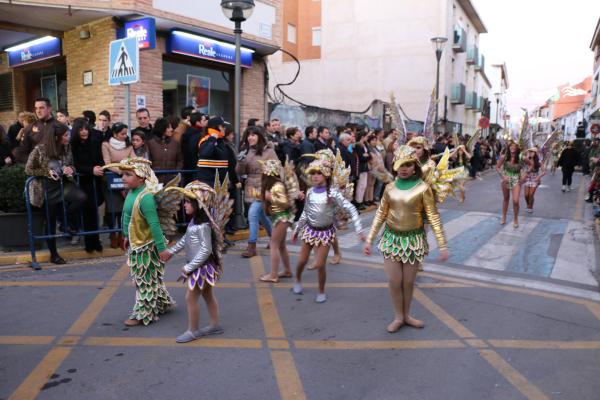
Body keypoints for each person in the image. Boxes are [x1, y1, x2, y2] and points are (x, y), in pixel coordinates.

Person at [364, 145, 448, 332]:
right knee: (395, 281)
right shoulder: (389, 187)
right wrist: (370, 239)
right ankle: (398, 316)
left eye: (408, 165)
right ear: (395, 165)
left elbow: (433, 216)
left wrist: (442, 245)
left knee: (408, 282)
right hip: (392, 239)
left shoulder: (423, 188)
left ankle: (407, 315)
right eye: (401, 164)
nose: (404, 168)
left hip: (413, 240)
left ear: (415, 167)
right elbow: (380, 214)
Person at [101, 158, 174, 326]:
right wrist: (125, 235)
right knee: (150, 278)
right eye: (123, 174)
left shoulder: (146, 198)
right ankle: (162, 303)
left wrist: (162, 249)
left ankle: (143, 313)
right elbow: (127, 216)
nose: (124, 178)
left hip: (146, 247)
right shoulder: (131, 193)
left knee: (144, 280)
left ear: (141, 178)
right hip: (136, 243)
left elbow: (154, 224)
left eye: (128, 174)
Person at [291, 155, 364, 303]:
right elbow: (306, 212)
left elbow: (351, 208)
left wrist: (359, 229)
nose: (316, 176)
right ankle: (297, 279)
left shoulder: (332, 193)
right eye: (313, 173)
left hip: (325, 233)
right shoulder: (310, 192)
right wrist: (296, 230)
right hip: (309, 231)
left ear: (326, 175)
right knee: (301, 261)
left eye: (319, 173)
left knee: (319, 264)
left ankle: (321, 290)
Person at [166, 181, 226, 343]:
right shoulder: (194, 223)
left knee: (190, 298)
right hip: (201, 266)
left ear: (198, 204)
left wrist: (189, 267)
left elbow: (206, 250)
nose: (184, 205)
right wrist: (170, 252)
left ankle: (193, 330)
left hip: (202, 268)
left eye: (187, 201)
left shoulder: (203, 226)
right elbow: (185, 239)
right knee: (207, 294)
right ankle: (215, 325)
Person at [25, 123, 87, 264]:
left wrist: (70, 169)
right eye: (66, 135)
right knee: (50, 222)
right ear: (56, 137)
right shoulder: (40, 149)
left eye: (69, 134)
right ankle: (54, 254)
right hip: (46, 189)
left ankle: (66, 222)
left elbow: (71, 164)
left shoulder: (67, 147)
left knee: (81, 198)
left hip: (63, 185)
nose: (68, 137)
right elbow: (28, 169)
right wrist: (47, 172)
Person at [237, 126, 277, 258]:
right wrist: (241, 161)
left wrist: (271, 189)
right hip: (250, 187)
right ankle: (274, 238)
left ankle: (251, 246)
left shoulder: (269, 151)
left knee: (253, 214)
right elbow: (239, 172)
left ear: (259, 136)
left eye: (253, 135)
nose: (250, 137)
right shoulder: (246, 151)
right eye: (248, 135)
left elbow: (276, 170)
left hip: (264, 187)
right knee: (261, 216)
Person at [70, 117, 105, 252]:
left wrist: (100, 167)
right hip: (82, 182)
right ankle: (89, 243)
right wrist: (91, 170)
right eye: (81, 129)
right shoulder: (73, 146)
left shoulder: (94, 142)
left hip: (95, 182)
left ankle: (96, 241)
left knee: (94, 212)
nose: (84, 132)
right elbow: (76, 165)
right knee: (86, 213)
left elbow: (100, 159)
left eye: (86, 129)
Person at [257, 159, 295, 282]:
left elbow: (285, 203)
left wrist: (270, 197)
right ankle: (287, 270)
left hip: (282, 217)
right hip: (279, 217)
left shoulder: (277, 186)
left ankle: (273, 275)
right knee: (281, 245)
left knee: (274, 245)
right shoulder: (274, 185)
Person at [101, 122, 136, 248]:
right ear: (115, 134)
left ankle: (123, 235)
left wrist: (128, 170)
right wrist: (121, 170)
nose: (125, 136)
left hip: (126, 179)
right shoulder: (106, 144)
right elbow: (107, 162)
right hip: (111, 179)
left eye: (126, 133)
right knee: (112, 209)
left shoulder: (129, 145)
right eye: (122, 133)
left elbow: (134, 160)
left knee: (123, 210)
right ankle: (112, 234)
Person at [196, 116, 237, 187]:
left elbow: (229, 163)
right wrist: (213, 138)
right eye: (222, 126)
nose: (225, 128)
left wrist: (233, 180)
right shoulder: (206, 140)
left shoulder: (222, 142)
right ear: (215, 127)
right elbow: (205, 153)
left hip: (220, 184)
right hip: (207, 184)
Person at [13, 98, 56, 163]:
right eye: (36, 108)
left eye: (41, 108)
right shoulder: (27, 129)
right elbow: (24, 147)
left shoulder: (58, 126)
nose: (38, 111)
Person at [147, 117, 183, 183]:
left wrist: (176, 173)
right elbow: (148, 161)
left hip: (172, 180)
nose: (171, 129)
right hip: (156, 181)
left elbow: (180, 160)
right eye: (168, 127)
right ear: (162, 128)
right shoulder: (150, 143)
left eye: (172, 127)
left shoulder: (175, 143)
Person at [496, 141, 523, 228]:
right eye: (511, 146)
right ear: (509, 147)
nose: (513, 147)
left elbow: (531, 165)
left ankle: (515, 218)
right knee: (506, 198)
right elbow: (497, 167)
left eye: (515, 146)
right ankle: (504, 216)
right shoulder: (504, 157)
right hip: (506, 180)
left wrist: (524, 175)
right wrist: (503, 176)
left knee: (516, 201)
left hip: (516, 180)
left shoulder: (520, 158)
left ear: (517, 148)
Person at [181, 112, 205, 185]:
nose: (205, 122)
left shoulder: (186, 134)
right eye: (203, 120)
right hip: (196, 171)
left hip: (187, 170)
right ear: (198, 123)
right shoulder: (198, 135)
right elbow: (194, 153)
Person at [522, 148, 545, 213]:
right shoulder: (526, 159)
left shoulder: (539, 161)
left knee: (531, 194)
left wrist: (538, 177)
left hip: (535, 178)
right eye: (530, 152)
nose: (530, 153)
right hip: (527, 178)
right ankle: (528, 205)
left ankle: (530, 207)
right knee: (526, 195)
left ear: (535, 153)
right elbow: (521, 165)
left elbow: (544, 171)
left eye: (532, 152)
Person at [354, 131, 372, 210]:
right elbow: (361, 157)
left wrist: (367, 155)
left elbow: (369, 155)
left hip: (365, 167)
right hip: (361, 167)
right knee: (360, 186)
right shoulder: (358, 145)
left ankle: (360, 201)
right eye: (366, 136)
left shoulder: (365, 144)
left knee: (364, 185)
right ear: (362, 137)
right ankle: (358, 202)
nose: (367, 138)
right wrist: (366, 156)